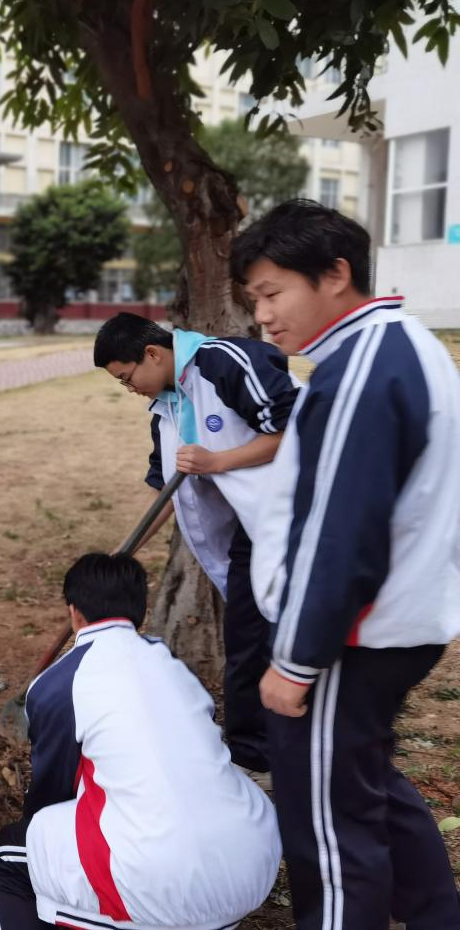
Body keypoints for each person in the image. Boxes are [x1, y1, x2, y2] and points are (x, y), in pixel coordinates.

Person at [232, 199, 460, 929]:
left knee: (330, 834)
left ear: (335, 274)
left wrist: (295, 662)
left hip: (347, 642)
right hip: (392, 626)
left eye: (272, 294)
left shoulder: (362, 371)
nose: (263, 316)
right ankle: (434, 914)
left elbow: (340, 535)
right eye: (254, 300)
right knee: (364, 786)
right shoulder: (402, 345)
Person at [0, 553, 281, 930]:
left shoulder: (58, 683)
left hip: (152, 882)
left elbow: (53, 787)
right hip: (251, 862)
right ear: (142, 609)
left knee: (7, 855)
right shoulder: (173, 665)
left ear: (74, 613)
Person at [92, 311, 298, 774]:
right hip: (253, 533)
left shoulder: (225, 362)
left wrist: (219, 461)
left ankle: (260, 757)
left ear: (152, 353)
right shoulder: (165, 408)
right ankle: (259, 750)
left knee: (260, 641)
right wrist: (125, 550)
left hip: (294, 518)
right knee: (251, 638)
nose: (130, 390)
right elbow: (167, 491)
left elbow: (299, 429)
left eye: (128, 378)